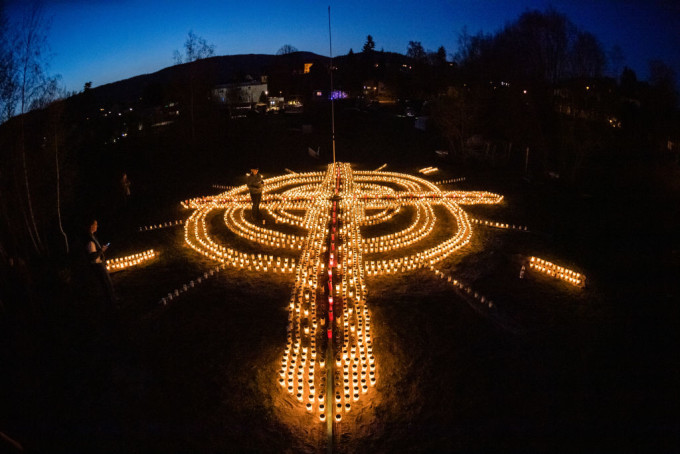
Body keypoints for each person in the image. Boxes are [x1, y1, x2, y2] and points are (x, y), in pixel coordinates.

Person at [86, 219, 117, 307]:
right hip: (97, 265)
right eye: (95, 224)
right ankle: (112, 301)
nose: (97, 226)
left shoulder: (93, 236)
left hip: (99, 263)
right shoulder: (90, 239)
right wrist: (101, 250)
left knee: (107, 282)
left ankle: (112, 299)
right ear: (91, 226)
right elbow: (92, 256)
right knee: (106, 283)